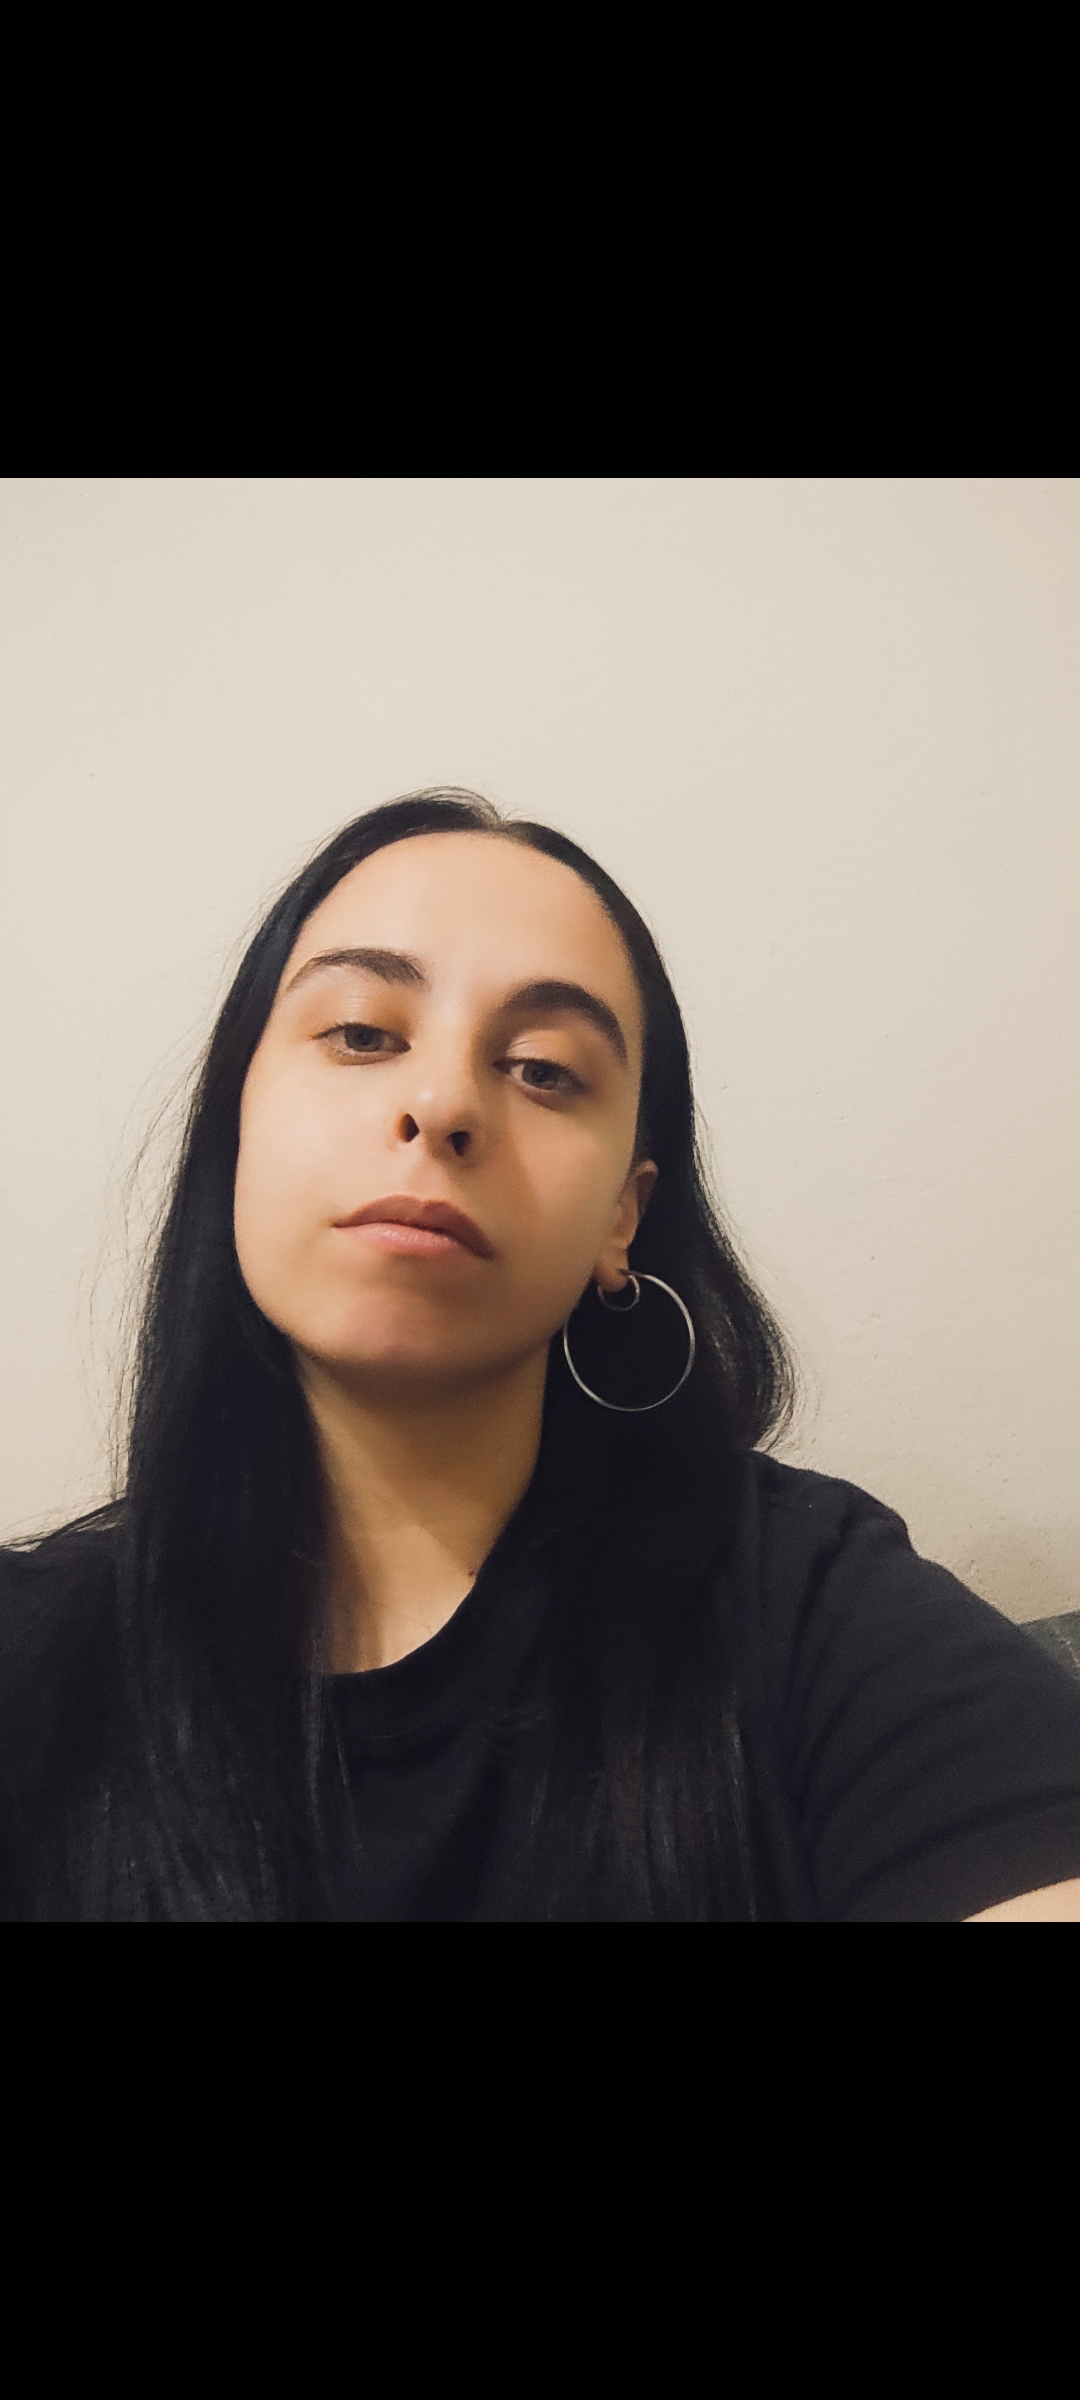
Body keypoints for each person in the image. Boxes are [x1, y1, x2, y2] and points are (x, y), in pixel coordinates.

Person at [2, 787, 1079, 1922]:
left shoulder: (814, 1610)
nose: (441, 1102)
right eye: (362, 1033)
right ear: (236, 1131)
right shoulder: (30, 1663)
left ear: (622, 1216)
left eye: (543, 1069)